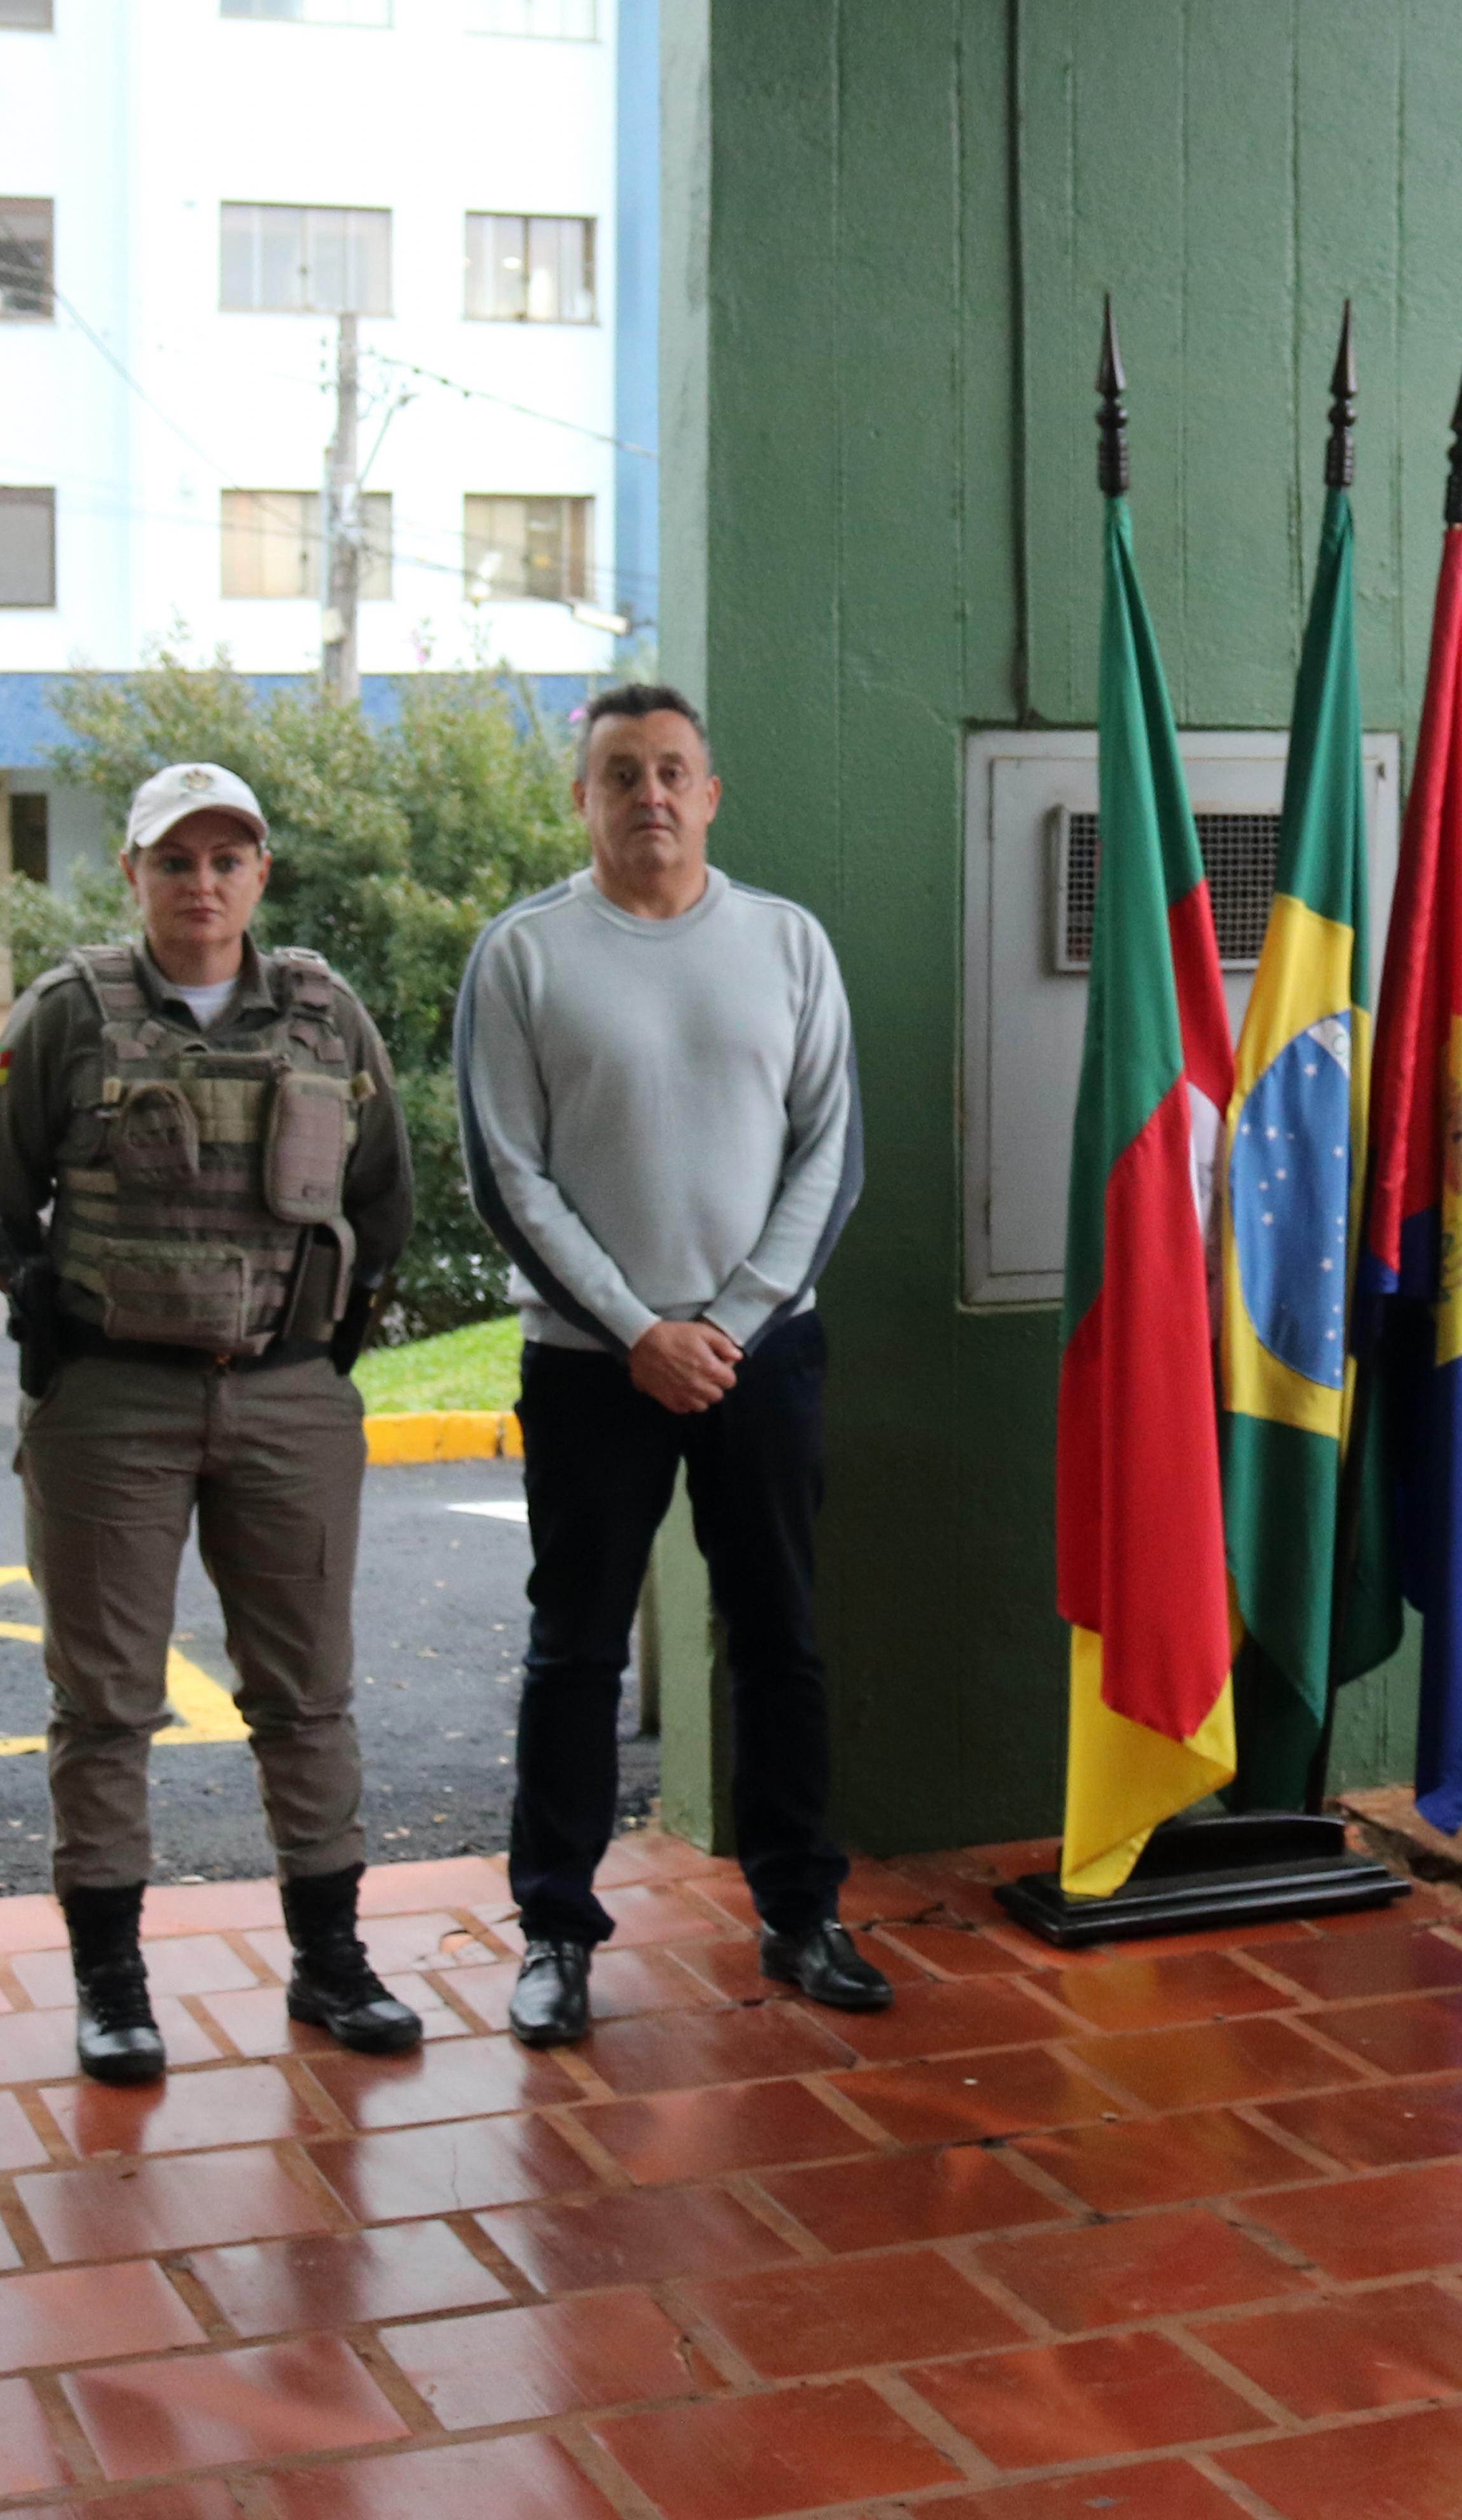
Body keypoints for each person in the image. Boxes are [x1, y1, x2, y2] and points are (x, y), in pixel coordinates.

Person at [0, 763, 421, 2083]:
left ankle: (331, 1961)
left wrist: (313, 1347)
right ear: (134, 875)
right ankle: (112, 1985)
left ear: (261, 874)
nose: (201, 884)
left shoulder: (328, 1016)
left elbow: (383, 1205)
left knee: (308, 1696)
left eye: (226, 860)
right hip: (113, 1405)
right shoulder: (67, 1014)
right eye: (174, 861)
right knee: (106, 1704)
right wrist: (62, 1323)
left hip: (287, 1397)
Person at [456, 684, 875, 2031]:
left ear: (710, 796)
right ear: (582, 798)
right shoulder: (523, 955)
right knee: (575, 1650)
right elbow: (506, 1175)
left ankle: (800, 1916)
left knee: (780, 1639)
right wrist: (638, 1331)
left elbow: (830, 1157)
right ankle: (555, 1935)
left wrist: (729, 1325)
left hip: (764, 1354)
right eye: (622, 772)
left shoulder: (787, 943)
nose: (650, 794)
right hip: (593, 1364)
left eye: (673, 771)